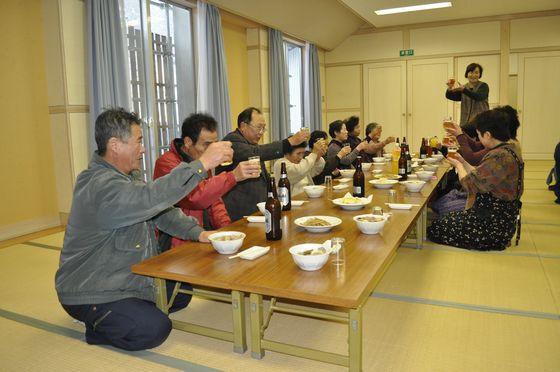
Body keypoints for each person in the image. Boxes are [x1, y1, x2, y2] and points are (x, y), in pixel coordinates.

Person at [55, 108, 233, 351]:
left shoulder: (127, 176)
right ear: (115, 145)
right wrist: (201, 164)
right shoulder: (98, 186)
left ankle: (131, 308)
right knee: (154, 329)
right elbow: (150, 198)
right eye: (138, 141)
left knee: (181, 293)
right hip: (93, 288)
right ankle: (95, 325)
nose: (143, 149)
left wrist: (199, 234)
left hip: (128, 275)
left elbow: (161, 212)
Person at [153, 113, 260, 247]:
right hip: (179, 238)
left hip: (204, 231)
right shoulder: (166, 163)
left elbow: (214, 199)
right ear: (188, 142)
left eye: (215, 144)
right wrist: (233, 176)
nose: (212, 150)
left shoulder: (202, 160)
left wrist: (227, 231)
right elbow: (194, 198)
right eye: (207, 144)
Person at [428, 109, 524, 251]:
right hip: (497, 216)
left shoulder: (500, 156)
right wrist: (463, 161)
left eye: (479, 135)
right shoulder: (507, 149)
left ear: (487, 135)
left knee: (436, 228)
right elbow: (480, 176)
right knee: (441, 219)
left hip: (492, 223)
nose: (478, 139)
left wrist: (459, 165)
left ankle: (491, 241)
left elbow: (470, 184)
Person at [217, 107, 309, 221]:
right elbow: (255, 153)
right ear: (243, 126)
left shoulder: (251, 143)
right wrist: (290, 142)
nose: (261, 132)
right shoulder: (232, 141)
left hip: (256, 207)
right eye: (258, 127)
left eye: (263, 128)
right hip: (240, 210)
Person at [445, 63, 489, 137]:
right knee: (466, 146)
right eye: (471, 72)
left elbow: (478, 97)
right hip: (466, 124)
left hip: (481, 124)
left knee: (480, 147)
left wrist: (463, 90)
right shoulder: (464, 87)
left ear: (480, 74)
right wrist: (450, 88)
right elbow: (451, 96)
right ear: (467, 74)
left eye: (476, 72)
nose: (473, 75)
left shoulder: (483, 86)